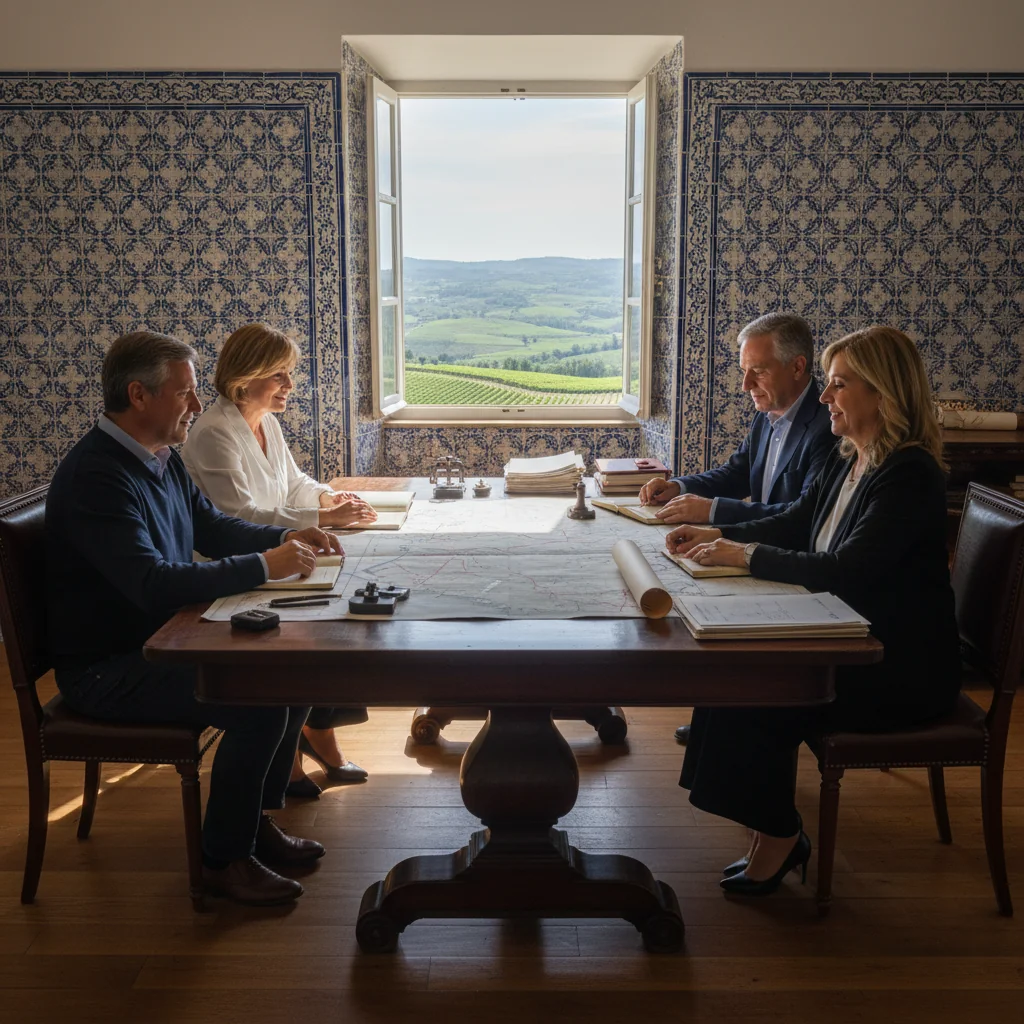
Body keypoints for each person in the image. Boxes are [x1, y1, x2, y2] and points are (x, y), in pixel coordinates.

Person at [47, 331, 343, 905]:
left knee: (294, 671)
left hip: (163, 639)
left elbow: (212, 528)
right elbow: (152, 583)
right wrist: (265, 563)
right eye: (184, 393)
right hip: (109, 669)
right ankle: (221, 861)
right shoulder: (99, 478)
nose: (198, 404)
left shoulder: (158, 457)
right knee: (260, 703)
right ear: (139, 395)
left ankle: (251, 824)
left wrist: (287, 536)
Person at [664, 326, 961, 897]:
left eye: (840, 385)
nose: (825, 397)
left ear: (884, 394)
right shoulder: (850, 455)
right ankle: (764, 824)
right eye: (827, 384)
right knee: (732, 672)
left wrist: (744, 555)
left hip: (897, 667)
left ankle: (778, 834)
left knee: (762, 686)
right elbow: (794, 521)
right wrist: (716, 530)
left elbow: (847, 568)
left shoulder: (909, 474)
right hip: (848, 637)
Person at [182, 323, 373, 798]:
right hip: (235, 567)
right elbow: (237, 514)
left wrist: (330, 495)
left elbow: (293, 483)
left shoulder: (266, 421)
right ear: (246, 378)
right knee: (316, 629)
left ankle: (313, 734)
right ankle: (292, 750)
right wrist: (323, 516)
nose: (291, 386)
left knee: (337, 612)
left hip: (276, 552)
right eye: (281, 376)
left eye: (290, 375)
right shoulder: (212, 433)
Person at [638, 312, 836, 744]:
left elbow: (795, 517)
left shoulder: (826, 429)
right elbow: (738, 471)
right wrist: (680, 484)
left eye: (757, 372)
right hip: (761, 552)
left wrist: (711, 512)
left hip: (791, 569)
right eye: (743, 371)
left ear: (798, 367)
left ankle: (732, 716)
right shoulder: (770, 411)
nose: (746, 385)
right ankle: (721, 713)